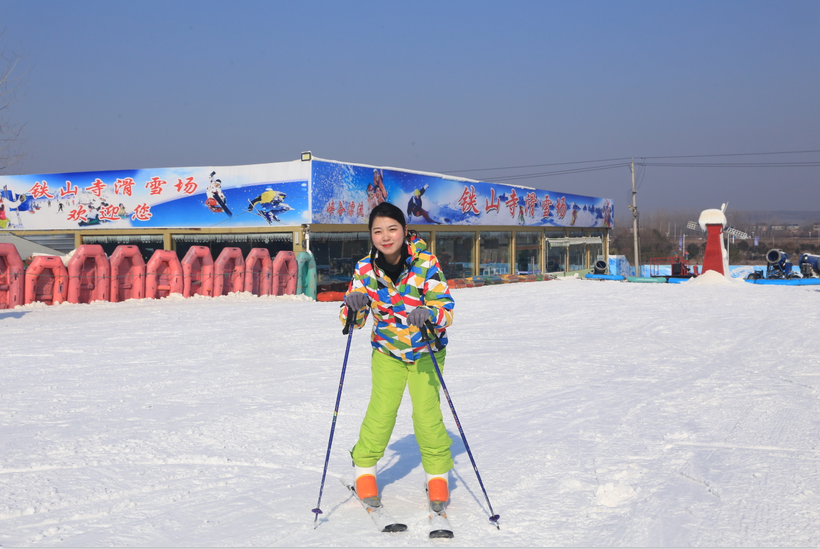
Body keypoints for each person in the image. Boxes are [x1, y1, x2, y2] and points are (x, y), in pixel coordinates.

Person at [341, 201, 455, 513]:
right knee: (382, 413)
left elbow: (446, 308)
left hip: (425, 352)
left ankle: (438, 477)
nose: (386, 236)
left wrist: (428, 312)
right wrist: (353, 306)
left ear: (404, 231)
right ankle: (364, 469)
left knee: (427, 417)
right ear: (371, 236)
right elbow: (354, 318)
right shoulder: (365, 268)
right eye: (378, 231)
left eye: (392, 229)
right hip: (387, 351)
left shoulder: (426, 262)